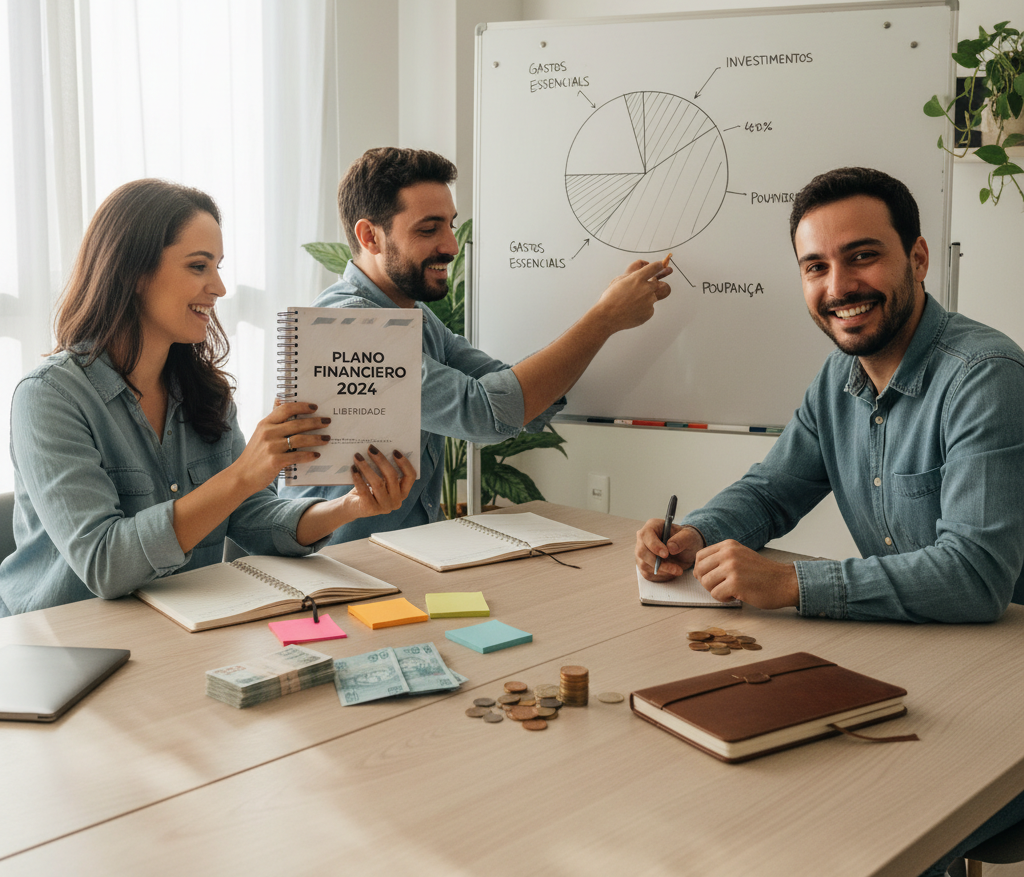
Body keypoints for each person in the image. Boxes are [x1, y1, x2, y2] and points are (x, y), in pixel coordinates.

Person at [634, 165, 1024, 877]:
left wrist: (791, 586)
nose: (839, 287)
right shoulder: (839, 378)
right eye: (816, 266)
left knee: (859, 831)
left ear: (918, 258)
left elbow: (974, 578)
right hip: (924, 661)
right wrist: (697, 530)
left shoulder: (985, 375)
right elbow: (774, 489)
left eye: (863, 256)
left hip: (1002, 687)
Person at [0, 179, 416, 616]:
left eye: (218, 266)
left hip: (178, 627)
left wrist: (348, 506)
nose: (218, 287)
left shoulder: (205, 394)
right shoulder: (48, 398)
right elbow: (105, 564)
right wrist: (243, 474)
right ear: (133, 273)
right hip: (58, 642)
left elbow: (253, 519)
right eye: (199, 266)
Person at [281, 146, 673, 542]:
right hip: (334, 576)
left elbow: (515, 397)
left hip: (393, 562)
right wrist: (603, 319)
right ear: (370, 236)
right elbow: (485, 415)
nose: (452, 246)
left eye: (451, 225)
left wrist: (605, 315)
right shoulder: (347, 326)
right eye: (429, 229)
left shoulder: (416, 318)